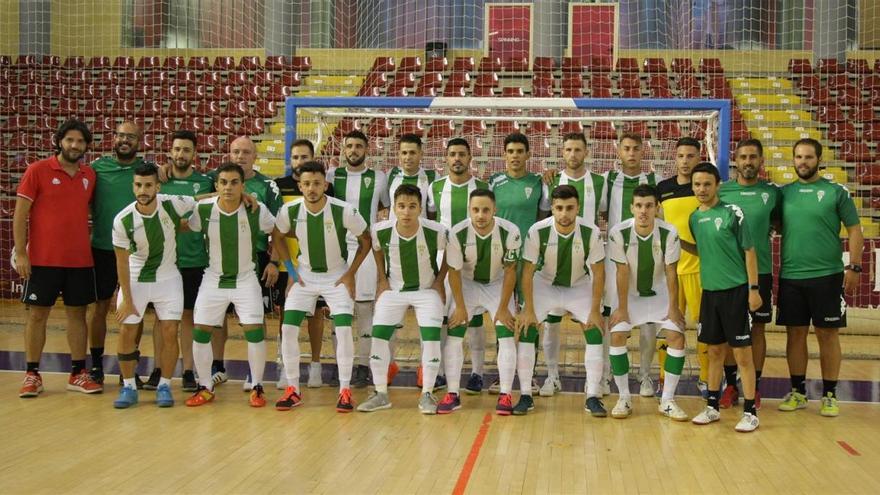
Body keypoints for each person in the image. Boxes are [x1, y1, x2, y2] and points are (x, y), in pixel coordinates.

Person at [184, 163, 287, 408]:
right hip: (213, 279)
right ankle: (205, 387)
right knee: (200, 331)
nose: (228, 187)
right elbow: (179, 216)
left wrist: (275, 261)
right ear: (216, 185)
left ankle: (258, 387)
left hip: (245, 279)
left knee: (254, 331)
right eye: (223, 182)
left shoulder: (257, 209)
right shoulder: (203, 208)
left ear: (243, 185)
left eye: (234, 182)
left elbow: (278, 232)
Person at [273, 161, 371, 413]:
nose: (312, 188)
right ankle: (293, 389)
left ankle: (345, 390)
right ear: (300, 186)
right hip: (304, 277)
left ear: (325, 185)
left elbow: (366, 240)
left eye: (317, 183)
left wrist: (350, 273)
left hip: (337, 276)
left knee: (344, 330)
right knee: (288, 327)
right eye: (306, 184)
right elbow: (277, 236)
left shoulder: (344, 210)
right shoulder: (290, 210)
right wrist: (292, 271)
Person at [776, 138, 864, 417]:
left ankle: (829, 394)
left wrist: (855, 267)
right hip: (791, 275)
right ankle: (798, 392)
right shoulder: (783, 194)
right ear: (793, 160)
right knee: (795, 335)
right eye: (798, 157)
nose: (803, 162)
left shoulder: (836, 192)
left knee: (827, 335)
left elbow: (855, 230)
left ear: (819, 159)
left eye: (808, 157)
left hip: (827, 276)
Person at [15, 119, 102, 397]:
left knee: (78, 316)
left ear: (86, 146)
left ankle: (77, 373)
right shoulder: (37, 170)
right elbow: (20, 214)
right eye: (70, 140)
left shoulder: (90, 175)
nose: (75, 146)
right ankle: (32, 374)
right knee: (37, 316)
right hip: (42, 260)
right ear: (59, 141)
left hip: (79, 260)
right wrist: (20, 253)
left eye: (80, 141)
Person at [111, 163, 197, 408]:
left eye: (148, 185)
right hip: (135, 278)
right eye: (138, 185)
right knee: (127, 330)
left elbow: (201, 199)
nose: (143, 190)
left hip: (168, 278)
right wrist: (126, 299)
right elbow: (121, 263)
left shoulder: (172, 203)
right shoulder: (122, 219)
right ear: (133, 186)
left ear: (158, 187)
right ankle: (128, 387)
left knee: (170, 331)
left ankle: (165, 386)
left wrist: (236, 195)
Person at [516, 185, 606, 416]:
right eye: (559, 208)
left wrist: (595, 309)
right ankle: (526, 394)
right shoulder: (537, 231)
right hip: (544, 285)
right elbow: (526, 272)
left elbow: (598, 272)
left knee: (595, 330)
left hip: (578, 285)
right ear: (552, 209)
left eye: (569, 208)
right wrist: (527, 309)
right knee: (527, 330)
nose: (564, 213)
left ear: (578, 208)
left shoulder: (591, 232)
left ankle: (593, 396)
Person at [357, 184, 447, 414]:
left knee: (431, 338)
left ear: (420, 209)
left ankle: (427, 393)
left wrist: (439, 281)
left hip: (427, 291)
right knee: (378, 337)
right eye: (402, 206)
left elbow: (450, 253)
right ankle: (380, 393)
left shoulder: (435, 231)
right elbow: (376, 249)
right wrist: (382, 279)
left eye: (412, 206)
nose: (406, 211)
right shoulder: (380, 230)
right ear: (394, 208)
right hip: (394, 290)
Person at [685, 162, 761, 432]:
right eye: (697, 184)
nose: (702, 189)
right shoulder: (694, 218)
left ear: (717, 185)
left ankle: (751, 411)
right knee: (714, 351)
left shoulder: (733, 212)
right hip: (711, 293)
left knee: (742, 355)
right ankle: (712, 407)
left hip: (737, 292)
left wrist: (754, 290)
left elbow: (749, 251)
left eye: (707, 184)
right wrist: (677, 242)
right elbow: (704, 249)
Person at [607, 185, 689, 421]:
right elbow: (621, 271)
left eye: (649, 206)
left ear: (657, 208)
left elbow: (671, 271)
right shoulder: (618, 232)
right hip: (629, 296)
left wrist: (674, 308)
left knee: (676, 336)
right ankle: (624, 397)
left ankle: (668, 401)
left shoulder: (669, 232)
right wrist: (622, 308)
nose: (644, 211)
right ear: (632, 207)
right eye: (639, 206)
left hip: (659, 295)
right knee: (617, 335)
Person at [207, 136, 282, 390]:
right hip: (218, 258)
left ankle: (254, 371)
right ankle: (217, 367)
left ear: (255, 156)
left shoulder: (267, 185)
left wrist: (274, 261)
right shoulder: (215, 179)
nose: (240, 156)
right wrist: (238, 193)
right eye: (236, 151)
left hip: (255, 258)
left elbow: (279, 227)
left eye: (246, 152)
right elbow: (201, 200)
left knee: (254, 315)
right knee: (216, 315)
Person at [145, 130, 213, 392]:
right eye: (176, 149)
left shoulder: (206, 181)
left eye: (186, 150)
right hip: (162, 261)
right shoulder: (158, 180)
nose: (180, 154)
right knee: (161, 319)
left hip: (193, 258)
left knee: (187, 317)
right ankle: (158, 369)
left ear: (194, 154)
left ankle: (187, 370)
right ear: (169, 152)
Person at [443, 189, 521, 415]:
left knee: (505, 334)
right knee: (454, 334)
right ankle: (452, 393)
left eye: (486, 210)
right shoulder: (457, 233)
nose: (480, 215)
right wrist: (459, 307)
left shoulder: (510, 232)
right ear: (469, 210)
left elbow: (511, 271)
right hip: (466, 284)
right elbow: (454, 273)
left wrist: (504, 307)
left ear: (494, 210)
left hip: (497, 284)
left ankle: (506, 394)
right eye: (475, 210)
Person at [541, 132, 607, 397]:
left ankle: (598, 380)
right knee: (551, 322)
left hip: (589, 262)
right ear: (562, 152)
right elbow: (545, 213)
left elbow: (605, 213)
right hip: (556, 261)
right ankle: (552, 376)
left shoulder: (600, 182)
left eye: (578, 149)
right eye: (568, 149)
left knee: (592, 321)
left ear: (586, 152)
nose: (572, 154)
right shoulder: (551, 180)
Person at [718, 139, 781, 409]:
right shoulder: (723, 191)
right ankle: (731, 385)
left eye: (753, 157)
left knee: (757, 329)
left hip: (762, 271)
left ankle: (754, 386)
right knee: (730, 331)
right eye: (743, 157)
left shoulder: (772, 193)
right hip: (730, 272)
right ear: (736, 160)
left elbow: (779, 221)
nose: (748, 162)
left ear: (761, 160)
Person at [486, 133, 550, 396]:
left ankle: (530, 375)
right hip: (501, 260)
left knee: (529, 317)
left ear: (528, 155)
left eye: (520, 151)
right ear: (503, 154)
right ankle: (503, 375)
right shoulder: (493, 182)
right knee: (503, 317)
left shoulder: (539, 183)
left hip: (528, 262)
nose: (515, 155)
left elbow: (545, 219)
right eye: (510, 150)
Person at [328, 130, 390, 388]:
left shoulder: (379, 177)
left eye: (358, 146)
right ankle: (340, 364)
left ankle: (363, 366)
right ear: (343, 150)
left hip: (365, 249)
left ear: (367, 150)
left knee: (364, 308)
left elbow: (385, 208)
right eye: (349, 146)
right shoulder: (332, 176)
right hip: (338, 249)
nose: (353, 150)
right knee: (337, 310)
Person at [427, 137, 488, 392]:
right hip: (444, 258)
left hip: (473, 258)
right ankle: (440, 372)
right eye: (452, 154)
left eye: (462, 154)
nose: (457, 159)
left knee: (473, 318)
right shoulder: (435, 187)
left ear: (470, 158)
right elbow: (431, 218)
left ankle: (477, 372)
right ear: (446, 158)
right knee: (443, 316)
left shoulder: (483, 186)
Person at [88, 121, 144, 385]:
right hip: (102, 248)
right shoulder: (96, 169)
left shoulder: (147, 171)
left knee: (136, 309)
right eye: (121, 135)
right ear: (114, 138)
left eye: (131, 137)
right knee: (99, 307)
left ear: (139, 141)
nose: (125, 140)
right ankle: (96, 364)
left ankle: (129, 368)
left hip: (137, 254)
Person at [274, 138, 334, 389]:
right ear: (290, 161)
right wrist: (282, 265)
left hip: (315, 263)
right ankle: (285, 367)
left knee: (316, 316)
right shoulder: (278, 186)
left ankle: (316, 366)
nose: (299, 162)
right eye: (295, 157)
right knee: (285, 316)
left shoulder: (324, 188)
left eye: (304, 157)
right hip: (285, 262)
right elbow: (276, 230)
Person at [657, 137, 707, 398]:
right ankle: (664, 379)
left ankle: (707, 378)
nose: (685, 161)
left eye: (690, 156)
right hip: (670, 273)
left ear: (699, 157)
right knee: (670, 328)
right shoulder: (662, 188)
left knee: (704, 329)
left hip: (700, 270)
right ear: (674, 158)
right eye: (681, 156)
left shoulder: (704, 188)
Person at [388, 133, 436, 219]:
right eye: (404, 153)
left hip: (421, 231)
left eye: (412, 153)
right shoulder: (390, 174)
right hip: (394, 231)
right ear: (399, 154)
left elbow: (433, 211)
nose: (408, 157)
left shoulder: (432, 176)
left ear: (421, 154)